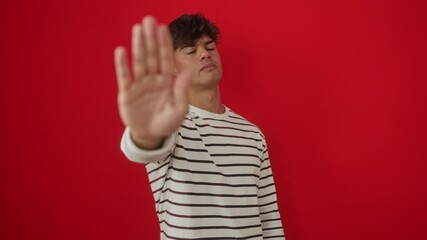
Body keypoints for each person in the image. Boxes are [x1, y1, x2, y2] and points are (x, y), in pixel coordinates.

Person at [114, 14, 285, 239]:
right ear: (172, 66)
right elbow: (141, 148)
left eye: (210, 46)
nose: (205, 53)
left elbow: (269, 218)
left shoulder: (252, 134)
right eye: (190, 51)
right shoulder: (170, 126)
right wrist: (145, 132)